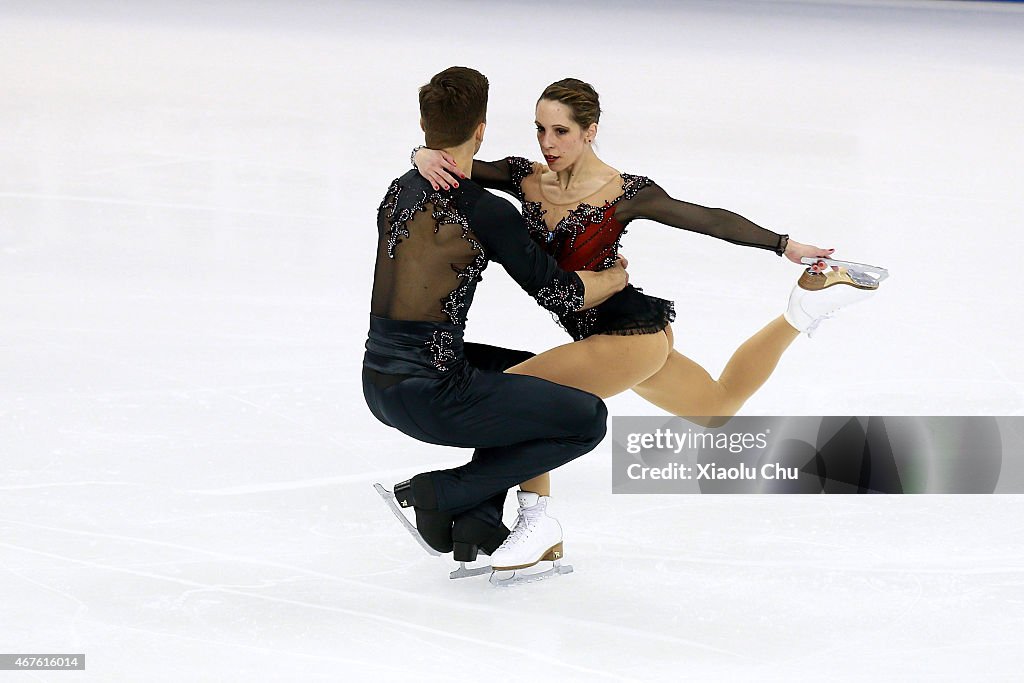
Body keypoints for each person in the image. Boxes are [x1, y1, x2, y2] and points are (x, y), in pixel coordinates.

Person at [414, 77, 883, 570]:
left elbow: (707, 218)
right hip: (608, 339)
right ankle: (803, 311)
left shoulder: (624, 193)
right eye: (540, 130)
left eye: (561, 132)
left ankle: (537, 523)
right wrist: (419, 154)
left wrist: (784, 244)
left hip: (628, 336)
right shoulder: (524, 178)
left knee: (518, 397)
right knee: (718, 407)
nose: (548, 144)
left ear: (589, 131)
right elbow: (454, 165)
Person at [364, 68, 630, 573]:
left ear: (425, 126)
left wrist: (418, 156)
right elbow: (559, 292)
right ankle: (440, 491)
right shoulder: (485, 211)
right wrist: (612, 280)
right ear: (482, 128)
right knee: (585, 419)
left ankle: (478, 522)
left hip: (378, 380)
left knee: (528, 377)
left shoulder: (400, 188)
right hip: (433, 394)